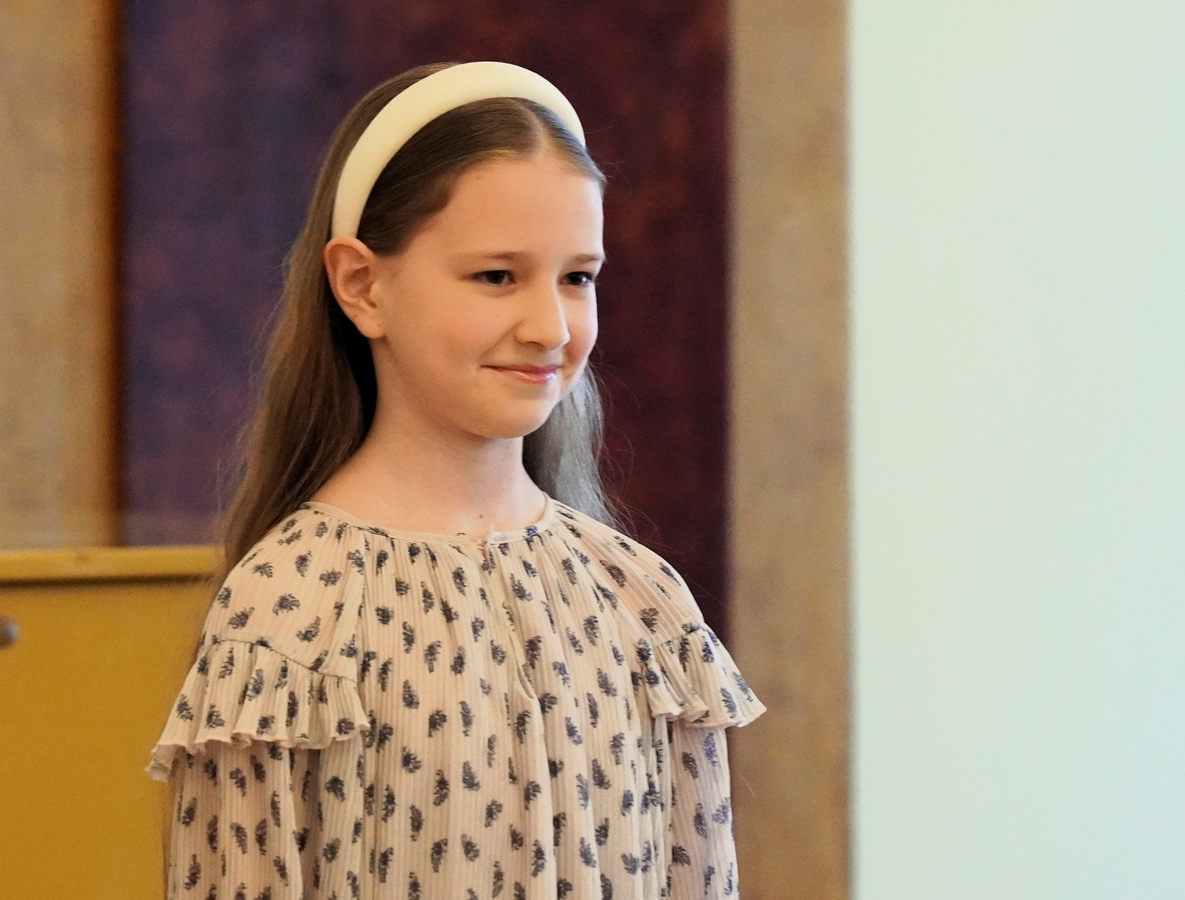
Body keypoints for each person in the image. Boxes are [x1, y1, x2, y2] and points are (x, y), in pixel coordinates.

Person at [145, 60, 767, 900]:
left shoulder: (642, 605)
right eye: (497, 276)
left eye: (577, 278)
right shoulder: (289, 615)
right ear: (362, 286)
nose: (549, 326)